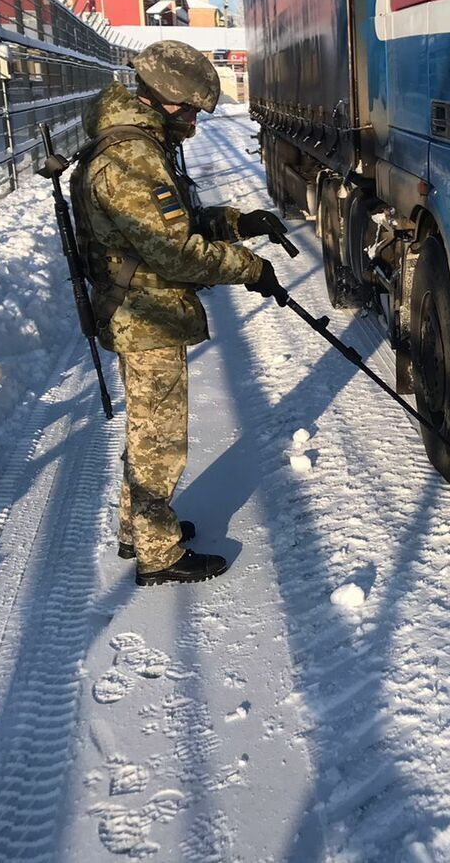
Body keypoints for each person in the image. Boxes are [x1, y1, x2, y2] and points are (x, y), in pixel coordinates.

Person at [71, 40, 285, 587]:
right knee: (159, 440)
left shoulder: (136, 144)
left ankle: (137, 528)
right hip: (145, 313)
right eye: (189, 108)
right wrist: (249, 269)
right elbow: (174, 251)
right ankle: (157, 553)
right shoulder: (131, 158)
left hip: (143, 307)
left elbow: (173, 225)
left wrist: (240, 222)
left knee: (147, 430)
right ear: (163, 98)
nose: (193, 120)